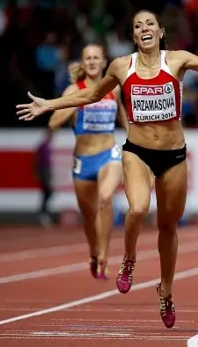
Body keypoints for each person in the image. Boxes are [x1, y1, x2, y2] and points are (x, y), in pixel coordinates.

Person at [16, 9, 198, 328]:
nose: (144, 28)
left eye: (150, 24)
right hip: (137, 152)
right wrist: (49, 103)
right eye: (137, 26)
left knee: (168, 226)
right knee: (138, 208)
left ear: (160, 32)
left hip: (173, 155)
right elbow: (89, 93)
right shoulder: (120, 66)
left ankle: (166, 290)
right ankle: (129, 261)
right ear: (133, 36)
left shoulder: (177, 60)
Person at [47, 43, 127, 280]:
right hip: (83, 161)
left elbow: (121, 113)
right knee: (89, 215)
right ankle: (94, 251)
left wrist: (134, 136)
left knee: (105, 198)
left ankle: (104, 254)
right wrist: (74, 101)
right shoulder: (74, 88)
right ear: (83, 63)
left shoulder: (114, 89)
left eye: (96, 57)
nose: (92, 61)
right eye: (87, 58)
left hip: (109, 154)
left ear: (104, 62)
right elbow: (53, 123)